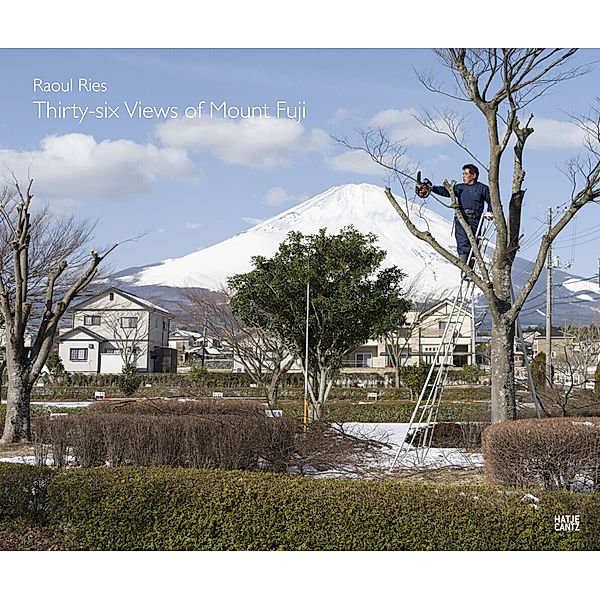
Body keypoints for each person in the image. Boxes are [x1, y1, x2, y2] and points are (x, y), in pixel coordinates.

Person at [430, 164, 492, 267]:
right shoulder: (459, 188)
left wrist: (490, 211)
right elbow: (446, 191)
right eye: (463, 174)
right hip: (461, 218)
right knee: (462, 244)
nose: (463, 176)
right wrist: (431, 188)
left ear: (474, 175)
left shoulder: (482, 188)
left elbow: (491, 200)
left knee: (474, 245)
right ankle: (465, 271)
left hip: (475, 219)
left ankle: (470, 269)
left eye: (466, 174)